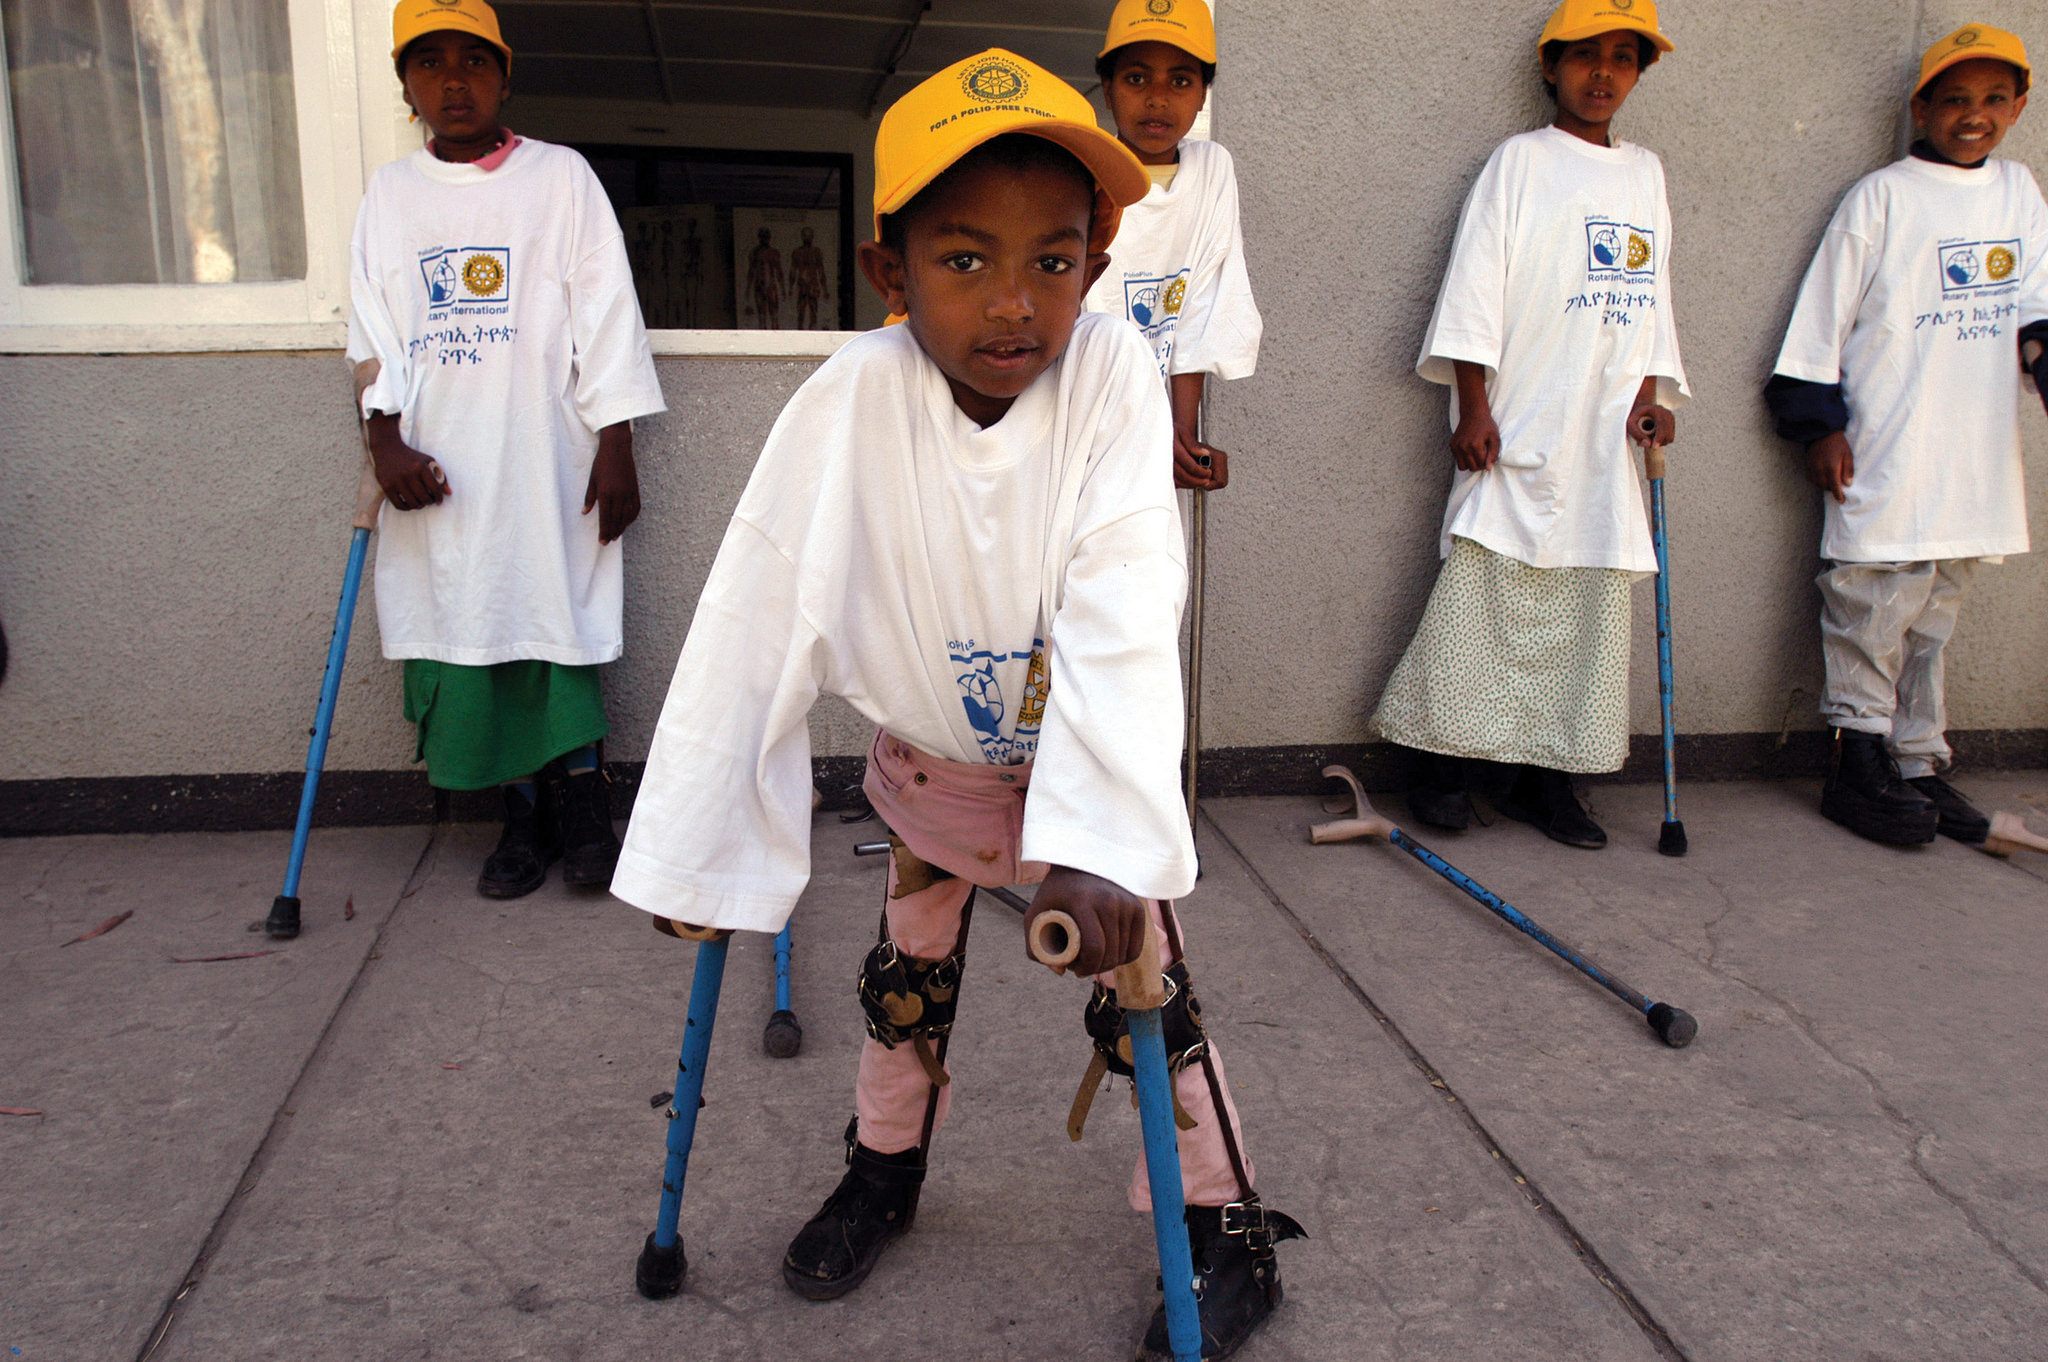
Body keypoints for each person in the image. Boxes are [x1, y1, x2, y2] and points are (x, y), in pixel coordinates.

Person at [613, 49, 1299, 1361]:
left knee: (1148, 996)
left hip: (1075, 767)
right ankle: (883, 1168)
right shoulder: (848, 402)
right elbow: (760, 604)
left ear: (1096, 271)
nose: (1012, 303)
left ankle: (1224, 1222)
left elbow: (1125, 598)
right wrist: (700, 835)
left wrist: (1100, 838)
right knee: (903, 987)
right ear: (890, 271)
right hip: (934, 769)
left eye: (1052, 261)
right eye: (964, 258)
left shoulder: (1112, 380)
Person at [348, 0, 664, 898]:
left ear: (505, 74)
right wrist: (384, 442)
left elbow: (606, 315)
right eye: (431, 62)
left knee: (553, 625)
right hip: (440, 467)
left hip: (545, 457)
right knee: (471, 628)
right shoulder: (390, 195)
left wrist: (617, 445)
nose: (455, 80)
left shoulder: (560, 179)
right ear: (405, 83)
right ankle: (517, 818)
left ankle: (583, 813)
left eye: (475, 60)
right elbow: (369, 325)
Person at [1369, 0, 1686, 849]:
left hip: (1604, 435)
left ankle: (1547, 783)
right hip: (1521, 419)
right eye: (1585, 55)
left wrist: (1651, 398)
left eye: (1623, 58)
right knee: (1483, 598)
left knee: (1585, 614)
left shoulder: (1646, 174)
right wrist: (1473, 402)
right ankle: (1441, 767)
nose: (1603, 73)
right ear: (1551, 66)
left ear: (1639, 73)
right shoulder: (1520, 162)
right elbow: (1477, 283)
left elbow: (1650, 301)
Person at [1765, 24, 2046, 846]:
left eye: (1994, 99)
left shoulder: (2018, 192)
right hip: (1889, 441)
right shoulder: (1881, 196)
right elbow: (1820, 319)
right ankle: (1857, 764)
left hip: (1972, 452)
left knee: (1934, 616)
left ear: (2019, 107)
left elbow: (2037, 306)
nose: (1974, 115)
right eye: (1955, 98)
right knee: (1871, 608)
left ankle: (1918, 762)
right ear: (1921, 107)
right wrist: (1818, 425)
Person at [1084, 0, 1259, 492]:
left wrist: (1182, 434)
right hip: (1078, 413)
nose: (1158, 99)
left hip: (1152, 426)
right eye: (1137, 79)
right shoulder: (1086, 176)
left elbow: (1199, 305)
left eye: (1180, 81)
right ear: (1108, 87)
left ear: (1204, 93)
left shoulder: (1211, 172)